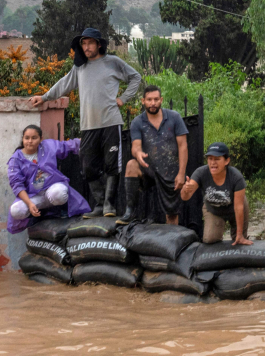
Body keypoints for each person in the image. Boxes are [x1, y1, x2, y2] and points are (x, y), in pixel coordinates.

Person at [30, 28, 141, 219]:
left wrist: (123, 98)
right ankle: (99, 203)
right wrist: (45, 97)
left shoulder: (112, 62)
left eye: (90, 42)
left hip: (110, 122)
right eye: (83, 43)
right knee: (88, 166)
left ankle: (109, 205)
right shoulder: (79, 68)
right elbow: (64, 84)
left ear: (99, 44)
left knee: (112, 165)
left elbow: (135, 77)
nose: (86, 47)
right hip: (88, 125)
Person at [116, 85, 188, 225]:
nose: (153, 103)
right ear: (143, 101)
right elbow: (135, 146)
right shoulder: (137, 122)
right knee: (131, 164)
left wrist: (181, 173)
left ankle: (172, 242)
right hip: (147, 167)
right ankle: (130, 211)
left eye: (156, 99)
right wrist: (138, 154)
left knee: (172, 215)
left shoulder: (174, 117)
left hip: (170, 171)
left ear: (161, 100)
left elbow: (183, 146)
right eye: (149, 99)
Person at [7, 125, 90, 234]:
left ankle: (61, 210)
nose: (30, 141)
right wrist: (30, 204)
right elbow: (17, 185)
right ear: (22, 139)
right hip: (33, 197)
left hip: (52, 189)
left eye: (34, 138)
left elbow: (66, 146)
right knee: (16, 210)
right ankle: (35, 218)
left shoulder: (48, 146)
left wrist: (87, 139)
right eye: (27, 138)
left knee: (59, 193)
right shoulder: (16, 159)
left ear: (41, 139)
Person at [180, 142, 252, 245]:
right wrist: (185, 190)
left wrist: (240, 235)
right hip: (213, 209)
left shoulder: (236, 177)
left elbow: (239, 207)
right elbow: (185, 197)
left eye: (217, 159)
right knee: (209, 240)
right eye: (210, 159)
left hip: (235, 207)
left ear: (227, 161)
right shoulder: (201, 173)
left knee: (239, 240)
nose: (213, 163)